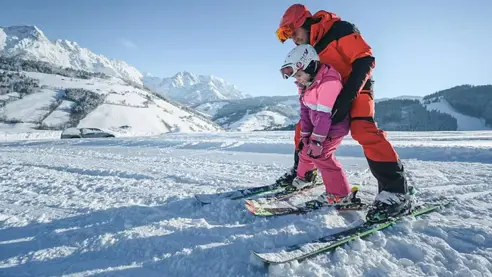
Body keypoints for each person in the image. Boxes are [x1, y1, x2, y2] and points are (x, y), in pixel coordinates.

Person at [275, 4, 412, 222]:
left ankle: (396, 192)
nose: (294, 40)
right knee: (303, 128)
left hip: (356, 87)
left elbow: (365, 59)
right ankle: (305, 174)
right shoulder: (311, 47)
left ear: (304, 22)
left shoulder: (341, 29)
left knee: (362, 129)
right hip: (328, 94)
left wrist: (347, 96)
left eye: (294, 33)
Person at [280, 43, 358, 205]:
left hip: (333, 128)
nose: (297, 79)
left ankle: (340, 195)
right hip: (318, 128)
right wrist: (306, 136)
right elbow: (305, 112)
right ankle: (305, 177)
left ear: (309, 65)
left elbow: (324, 115)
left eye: (299, 74)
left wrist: (317, 140)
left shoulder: (329, 82)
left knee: (322, 156)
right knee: (305, 150)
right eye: (295, 77)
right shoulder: (306, 85)